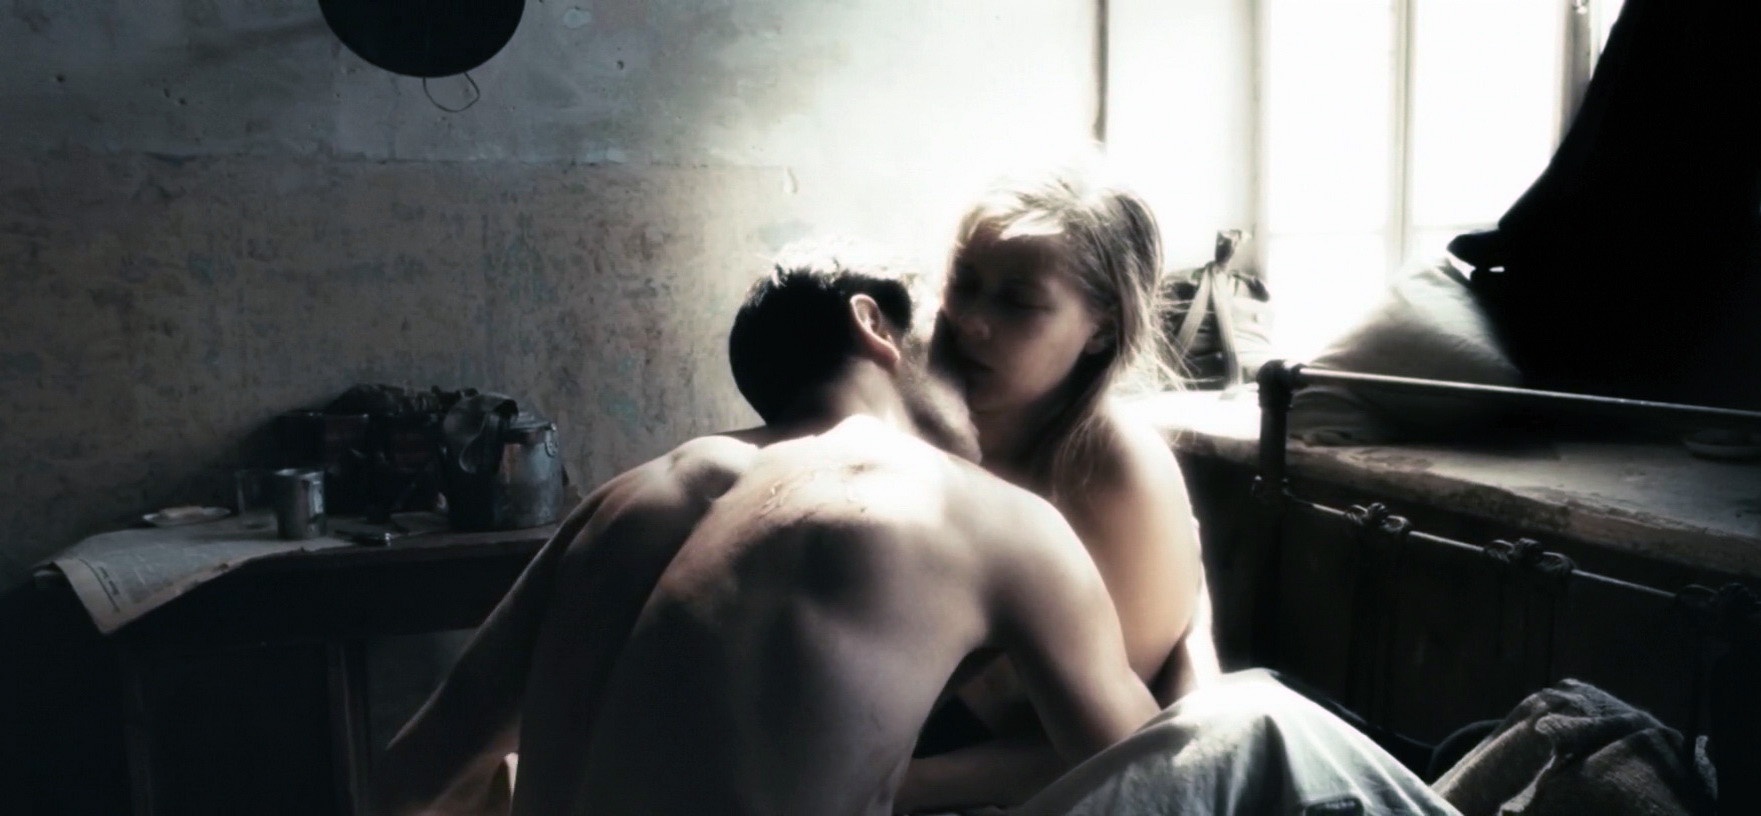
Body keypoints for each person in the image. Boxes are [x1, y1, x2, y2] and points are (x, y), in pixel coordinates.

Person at [370, 249, 1161, 816]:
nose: (974, 358)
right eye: (950, 333)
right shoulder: (985, 515)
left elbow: (411, 778)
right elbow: (1157, 777)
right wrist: (1192, 641)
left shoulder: (628, 499)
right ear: (875, 325)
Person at [901, 166, 1222, 809]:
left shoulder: (1115, 471)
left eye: (1018, 302)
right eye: (965, 281)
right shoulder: (920, 410)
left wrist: (881, 787)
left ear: (1101, 328)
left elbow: (1126, 745)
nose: (971, 322)